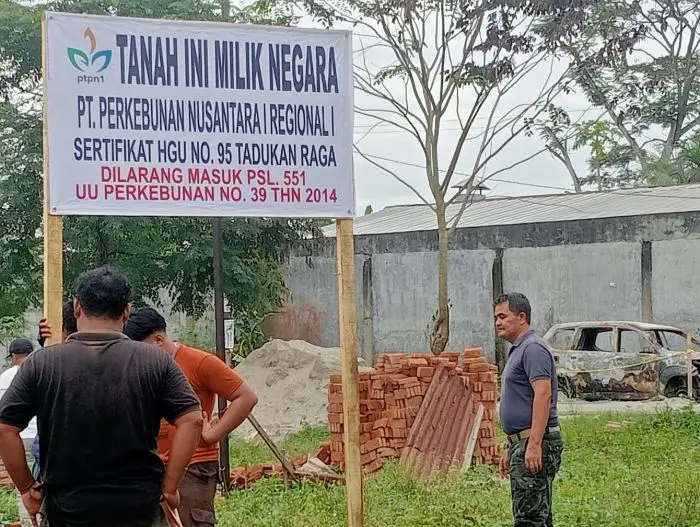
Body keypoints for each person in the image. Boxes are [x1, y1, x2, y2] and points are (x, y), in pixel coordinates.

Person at [0, 266, 204, 527]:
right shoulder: (154, 361)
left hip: (68, 512)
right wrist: (170, 486)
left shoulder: (42, 364)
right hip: (139, 510)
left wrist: (27, 487)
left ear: (77, 307)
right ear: (127, 311)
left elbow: (5, 427)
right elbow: (193, 419)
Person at [124, 307, 258, 527]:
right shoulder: (143, 369)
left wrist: (213, 434)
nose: (137, 358)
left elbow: (246, 397)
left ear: (158, 340)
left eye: (140, 350)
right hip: (156, 463)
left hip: (195, 465)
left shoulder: (199, 362)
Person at [494, 292, 563, 527]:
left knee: (529, 520)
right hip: (521, 442)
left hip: (534, 442)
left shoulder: (533, 348)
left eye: (503, 316)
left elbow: (543, 394)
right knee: (537, 518)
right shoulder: (518, 349)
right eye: (496, 317)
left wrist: (533, 445)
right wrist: (511, 445)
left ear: (522, 317)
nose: (498, 322)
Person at [0, 338, 38, 527]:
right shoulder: (41, 371)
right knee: (41, 485)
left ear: (14, 356)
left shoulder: (6, 377)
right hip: (40, 438)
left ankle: (25, 520)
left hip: (15, 439)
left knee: (21, 486)